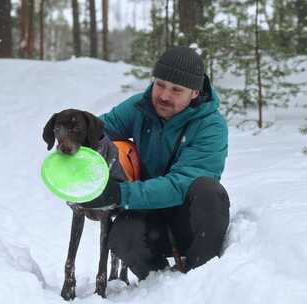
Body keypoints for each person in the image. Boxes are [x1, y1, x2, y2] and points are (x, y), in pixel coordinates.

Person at [81, 46, 230, 279]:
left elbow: (180, 185)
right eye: (160, 84)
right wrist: (73, 139)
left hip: (190, 218)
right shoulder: (141, 107)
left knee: (209, 191)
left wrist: (119, 193)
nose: (163, 96)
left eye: (176, 90)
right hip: (150, 212)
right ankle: (160, 284)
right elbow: (99, 131)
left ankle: (200, 279)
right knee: (122, 236)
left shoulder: (210, 126)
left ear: (194, 93)